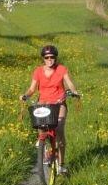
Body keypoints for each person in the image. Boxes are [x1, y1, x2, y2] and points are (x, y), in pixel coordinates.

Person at [21, 44, 80, 174]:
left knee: (59, 128)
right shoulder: (38, 71)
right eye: (46, 57)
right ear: (43, 58)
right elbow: (32, 89)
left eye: (52, 57)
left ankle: (61, 164)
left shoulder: (62, 69)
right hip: (43, 104)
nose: (49, 59)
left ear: (55, 58)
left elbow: (69, 83)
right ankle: (44, 147)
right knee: (41, 126)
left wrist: (74, 91)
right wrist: (26, 95)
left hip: (59, 103)